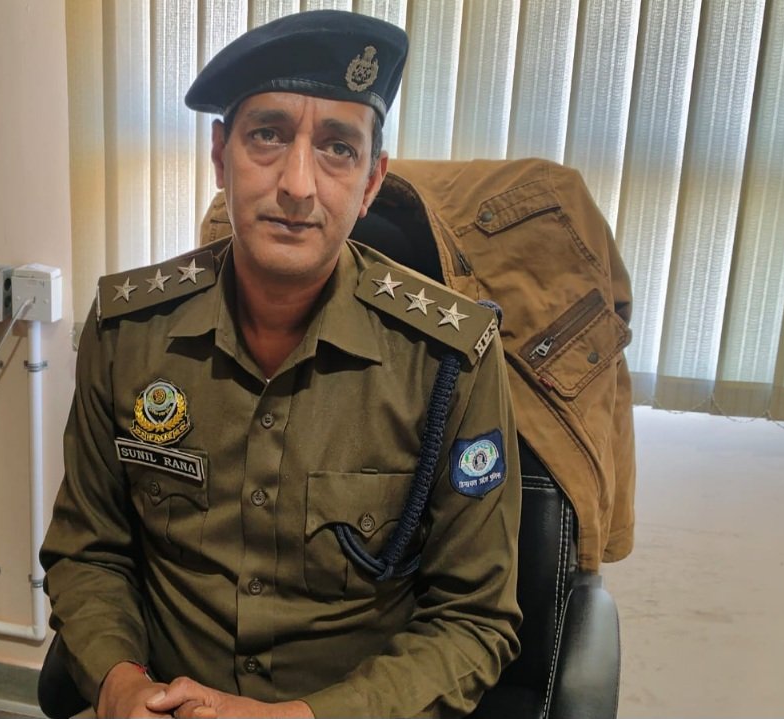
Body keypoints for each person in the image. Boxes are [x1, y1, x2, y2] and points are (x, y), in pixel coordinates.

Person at [40, 9, 521, 718]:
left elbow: (474, 618)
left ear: (371, 181)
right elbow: (90, 552)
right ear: (219, 156)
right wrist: (120, 684)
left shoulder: (449, 359)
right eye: (267, 135)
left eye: (337, 148)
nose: (297, 184)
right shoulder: (128, 332)